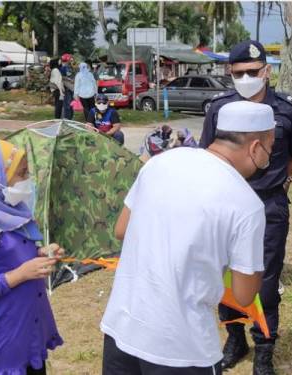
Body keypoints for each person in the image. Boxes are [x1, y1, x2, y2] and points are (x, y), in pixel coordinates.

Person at [100, 100, 274, 375]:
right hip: (182, 348)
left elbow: (122, 229)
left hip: (123, 328)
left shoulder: (162, 162)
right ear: (255, 147)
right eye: (269, 148)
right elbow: (244, 294)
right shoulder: (246, 204)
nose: (269, 156)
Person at [199, 40, 292, 375]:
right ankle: (235, 338)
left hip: (268, 206)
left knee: (265, 281)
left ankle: (264, 347)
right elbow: (209, 153)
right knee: (224, 277)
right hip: (224, 207)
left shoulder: (287, 109)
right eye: (239, 73)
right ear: (229, 73)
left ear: (266, 71)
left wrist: (279, 182)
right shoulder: (220, 108)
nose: (246, 77)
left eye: (252, 71)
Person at [0, 139, 65, 374]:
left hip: (29, 327)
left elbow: (9, 254)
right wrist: (19, 275)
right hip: (4, 338)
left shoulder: (10, 211)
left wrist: (41, 253)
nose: (26, 180)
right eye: (21, 174)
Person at [60, 53, 75, 120]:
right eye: (70, 59)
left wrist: (73, 79)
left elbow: (72, 75)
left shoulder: (70, 67)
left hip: (71, 88)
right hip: (67, 88)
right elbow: (61, 77)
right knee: (67, 104)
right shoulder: (63, 68)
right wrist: (69, 79)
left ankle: (70, 117)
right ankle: (67, 118)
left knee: (70, 104)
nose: (71, 60)